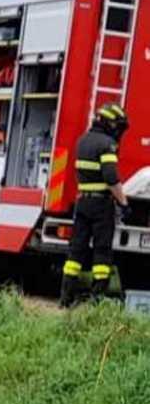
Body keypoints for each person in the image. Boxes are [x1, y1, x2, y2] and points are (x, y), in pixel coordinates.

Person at [60, 102, 129, 307]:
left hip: (83, 202)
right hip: (101, 205)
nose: (118, 130)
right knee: (102, 251)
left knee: (76, 251)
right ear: (108, 123)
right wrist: (123, 203)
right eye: (117, 126)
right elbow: (111, 178)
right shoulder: (107, 145)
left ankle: (66, 297)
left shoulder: (83, 141)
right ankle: (97, 298)